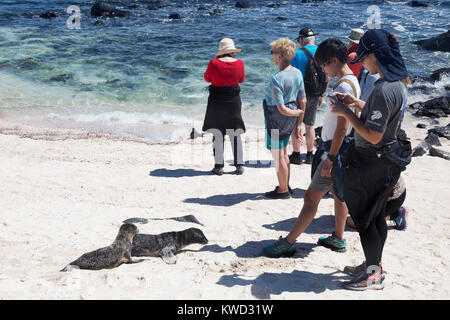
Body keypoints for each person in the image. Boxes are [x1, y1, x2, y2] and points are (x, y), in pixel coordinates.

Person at [262, 38, 360, 256]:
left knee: (310, 199)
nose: (323, 71)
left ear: (334, 60)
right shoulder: (352, 80)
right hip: (339, 149)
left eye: (324, 65)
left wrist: (330, 158)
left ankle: (288, 242)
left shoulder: (343, 86)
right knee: (338, 195)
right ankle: (338, 237)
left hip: (334, 152)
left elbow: (342, 128)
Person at [330, 29, 410, 291]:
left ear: (376, 56)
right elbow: (382, 116)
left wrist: (345, 112)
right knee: (375, 217)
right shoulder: (397, 83)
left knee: (365, 220)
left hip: (373, 161)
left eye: (364, 57)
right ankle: (373, 266)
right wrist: (357, 102)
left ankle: (373, 275)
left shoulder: (385, 89)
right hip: (385, 160)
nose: (361, 62)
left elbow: (374, 135)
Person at [263, 38, 306, 199]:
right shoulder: (297, 72)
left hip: (277, 118)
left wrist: (297, 114)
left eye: (272, 52)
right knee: (284, 152)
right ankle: (285, 184)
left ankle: (282, 190)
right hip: (290, 118)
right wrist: (299, 120)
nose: (271, 55)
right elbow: (303, 99)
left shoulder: (277, 79)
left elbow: (280, 107)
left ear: (280, 56)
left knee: (278, 154)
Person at [202, 38, 246, 176]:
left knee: (217, 132)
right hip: (233, 101)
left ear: (221, 52)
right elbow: (241, 79)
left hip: (216, 101)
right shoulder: (239, 64)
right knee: (234, 132)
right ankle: (239, 166)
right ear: (232, 52)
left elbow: (207, 79)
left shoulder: (213, 63)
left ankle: (219, 166)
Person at [289, 28, 327, 165]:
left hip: (300, 94)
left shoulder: (298, 54)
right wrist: (322, 94)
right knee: (310, 125)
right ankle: (310, 155)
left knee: (296, 125)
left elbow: (292, 76)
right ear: (313, 39)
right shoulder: (321, 52)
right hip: (316, 93)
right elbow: (326, 76)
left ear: (300, 40)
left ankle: (297, 154)